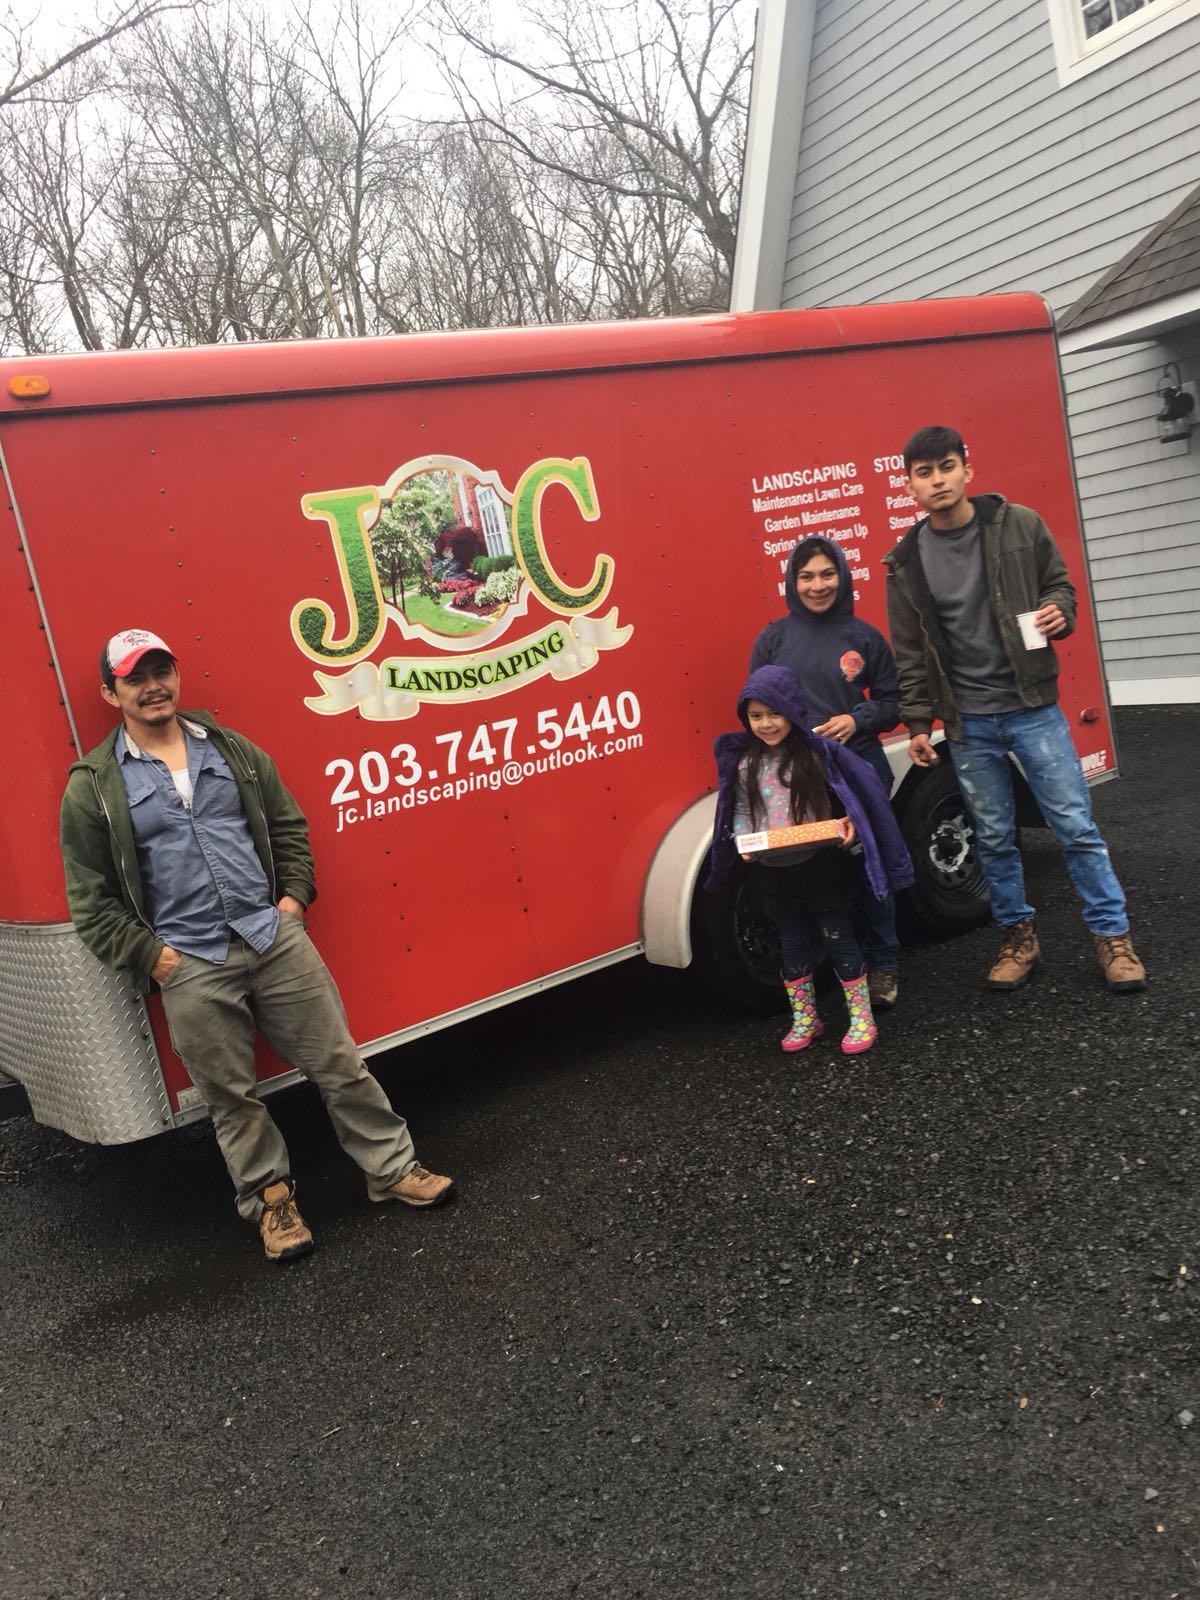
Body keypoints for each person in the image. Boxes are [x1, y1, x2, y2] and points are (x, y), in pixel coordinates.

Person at [60, 628, 456, 1264]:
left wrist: (292, 903)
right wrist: (154, 958)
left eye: (161, 671)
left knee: (340, 1064)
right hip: (189, 962)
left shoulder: (231, 751)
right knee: (232, 1100)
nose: (152, 686)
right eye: (135, 678)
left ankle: (392, 1171)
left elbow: (287, 827)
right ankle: (273, 1202)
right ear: (112, 693)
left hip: (273, 938)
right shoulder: (94, 787)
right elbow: (91, 900)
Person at [883, 426, 1147, 994]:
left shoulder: (1019, 525)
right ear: (909, 486)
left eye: (946, 467)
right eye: (924, 473)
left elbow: (1062, 589)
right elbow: (909, 653)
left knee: (1075, 828)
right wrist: (918, 724)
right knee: (995, 838)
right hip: (968, 723)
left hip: (1032, 709)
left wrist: (1057, 610)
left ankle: (1113, 939)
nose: (938, 480)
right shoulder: (905, 563)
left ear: (966, 470)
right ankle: (1018, 941)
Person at [707, 665, 913, 1056]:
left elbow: (848, 798)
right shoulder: (748, 764)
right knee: (792, 946)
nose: (766, 724)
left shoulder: (817, 756)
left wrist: (849, 824)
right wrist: (742, 841)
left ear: (793, 711)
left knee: (840, 940)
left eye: (774, 713)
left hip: (822, 870)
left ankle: (861, 1016)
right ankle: (806, 1018)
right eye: (756, 716)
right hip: (775, 874)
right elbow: (741, 812)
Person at [749, 536, 903, 1009]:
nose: (818, 586)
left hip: (858, 767)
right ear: (793, 583)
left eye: (827, 574)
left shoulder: (864, 636)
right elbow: (758, 705)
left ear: (843, 575)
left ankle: (881, 967)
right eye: (807, 576)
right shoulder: (773, 639)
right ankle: (838, 968)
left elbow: (894, 702)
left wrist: (858, 719)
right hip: (797, 778)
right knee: (816, 876)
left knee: (869, 866)